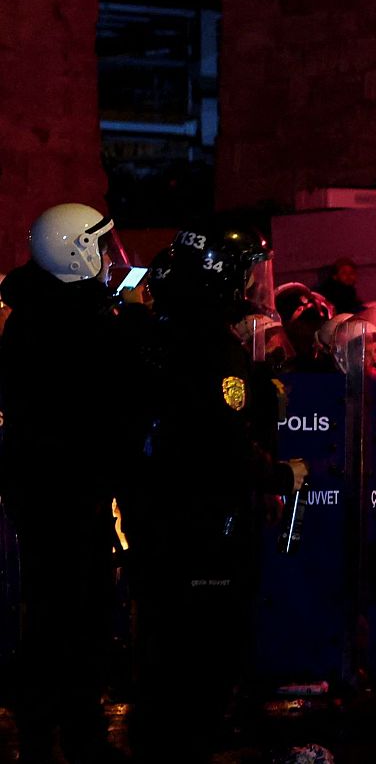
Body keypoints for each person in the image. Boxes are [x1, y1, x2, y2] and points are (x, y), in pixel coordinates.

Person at [121, 222, 297, 764]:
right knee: (204, 654)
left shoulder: (154, 330)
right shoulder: (211, 345)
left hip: (155, 519)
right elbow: (219, 441)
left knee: (160, 646)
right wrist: (280, 474)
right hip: (205, 527)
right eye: (246, 275)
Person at [0, 203, 125, 764]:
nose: (107, 258)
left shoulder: (43, 307)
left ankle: (59, 719)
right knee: (68, 609)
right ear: (75, 251)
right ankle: (63, 725)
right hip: (63, 484)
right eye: (98, 245)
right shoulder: (69, 319)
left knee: (65, 605)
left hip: (54, 480)